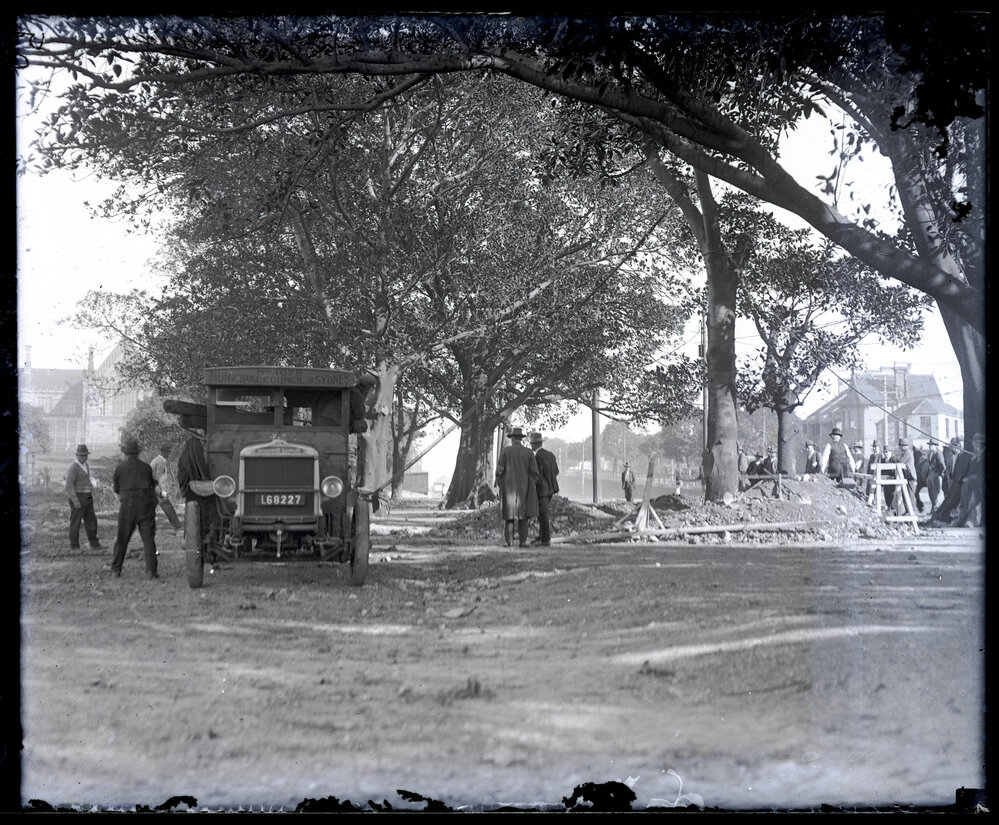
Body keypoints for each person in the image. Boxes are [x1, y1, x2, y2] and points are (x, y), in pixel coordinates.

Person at [109, 438, 159, 579]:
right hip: (145, 505)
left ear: (125, 453)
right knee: (148, 539)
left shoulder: (120, 468)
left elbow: (117, 489)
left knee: (122, 538)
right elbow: (152, 485)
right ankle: (152, 572)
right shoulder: (146, 467)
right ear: (138, 452)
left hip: (128, 505)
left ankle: (116, 570)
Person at [495, 427, 539, 548]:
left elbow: (499, 471)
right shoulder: (529, 452)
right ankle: (523, 542)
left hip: (508, 488)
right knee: (523, 517)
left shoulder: (505, 451)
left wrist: (501, 483)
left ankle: (509, 542)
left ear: (512, 438)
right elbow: (535, 472)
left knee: (509, 517)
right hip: (524, 489)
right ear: (521, 439)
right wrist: (530, 484)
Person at [64, 443, 102, 550]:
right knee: (75, 522)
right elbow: (68, 486)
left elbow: (87, 480)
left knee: (91, 520)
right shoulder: (73, 468)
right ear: (77, 455)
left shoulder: (86, 466)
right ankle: (74, 546)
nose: (83, 457)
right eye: (81, 455)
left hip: (88, 496)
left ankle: (94, 544)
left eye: (85, 455)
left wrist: (92, 490)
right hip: (78, 497)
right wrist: (75, 501)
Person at [529, 431, 560, 546]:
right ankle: (542, 536)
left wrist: (537, 484)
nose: (531, 446)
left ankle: (545, 540)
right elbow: (556, 471)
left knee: (543, 514)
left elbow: (537, 474)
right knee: (542, 513)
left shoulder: (537, 457)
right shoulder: (551, 455)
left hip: (542, 490)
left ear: (535, 444)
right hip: (551, 489)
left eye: (532, 443)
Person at [150, 442, 182, 532]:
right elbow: (158, 478)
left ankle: (148, 527)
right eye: (168, 452)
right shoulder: (160, 462)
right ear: (164, 452)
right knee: (167, 506)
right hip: (155, 488)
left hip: (151, 487)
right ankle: (177, 527)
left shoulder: (156, 460)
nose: (169, 454)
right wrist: (162, 492)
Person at [891, 437, 917, 516]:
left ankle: (911, 512)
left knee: (910, 495)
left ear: (904, 446)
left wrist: (893, 458)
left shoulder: (907, 453)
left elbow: (900, 462)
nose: (899, 447)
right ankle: (908, 511)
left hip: (910, 477)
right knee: (906, 495)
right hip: (908, 477)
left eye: (900, 445)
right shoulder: (906, 453)